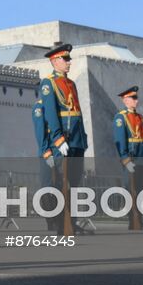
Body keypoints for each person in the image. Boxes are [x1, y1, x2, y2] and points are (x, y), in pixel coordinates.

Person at [33, 43, 86, 236]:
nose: (69, 62)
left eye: (69, 59)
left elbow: (76, 113)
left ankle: (71, 222)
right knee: (57, 184)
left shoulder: (70, 84)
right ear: (55, 61)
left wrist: (83, 141)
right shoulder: (49, 83)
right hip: (62, 141)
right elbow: (52, 116)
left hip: (76, 141)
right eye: (65, 59)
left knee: (73, 183)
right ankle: (57, 221)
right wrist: (57, 139)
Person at [113, 86, 143, 231]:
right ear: (125, 100)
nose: (136, 100)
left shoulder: (140, 117)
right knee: (131, 189)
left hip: (141, 156)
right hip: (131, 156)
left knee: (140, 190)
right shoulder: (120, 117)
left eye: (136, 97)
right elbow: (120, 140)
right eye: (133, 98)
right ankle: (133, 220)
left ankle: (140, 220)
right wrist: (125, 159)